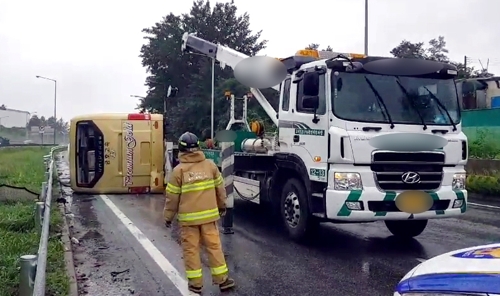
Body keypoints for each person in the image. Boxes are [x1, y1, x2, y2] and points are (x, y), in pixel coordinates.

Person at [164, 132, 236, 294]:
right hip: (209, 218)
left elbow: (172, 199)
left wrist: (168, 217)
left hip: (189, 222)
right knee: (214, 247)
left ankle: (195, 285)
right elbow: (220, 189)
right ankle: (223, 280)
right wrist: (222, 206)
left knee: (191, 250)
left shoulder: (178, 171)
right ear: (198, 147)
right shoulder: (210, 166)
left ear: (181, 150)